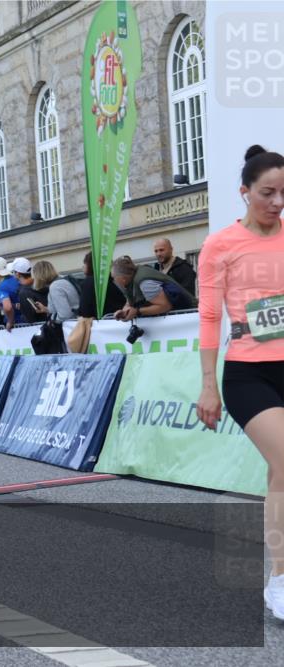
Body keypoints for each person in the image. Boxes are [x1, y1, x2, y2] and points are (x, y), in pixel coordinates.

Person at [195, 145, 284, 620]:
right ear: (244, 192)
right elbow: (209, 317)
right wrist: (208, 384)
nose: (276, 202)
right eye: (267, 193)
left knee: (280, 473)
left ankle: (280, 574)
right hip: (248, 371)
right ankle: (280, 581)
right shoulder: (221, 245)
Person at [111, 256, 197, 321]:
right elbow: (130, 302)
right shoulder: (132, 280)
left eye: (114, 277)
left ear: (122, 279)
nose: (113, 280)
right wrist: (124, 312)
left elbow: (165, 306)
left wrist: (137, 311)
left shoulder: (145, 283)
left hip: (190, 316)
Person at [76, 251, 127, 318]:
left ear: (90, 264)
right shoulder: (112, 280)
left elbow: (85, 312)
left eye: (85, 263)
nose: (83, 267)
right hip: (120, 319)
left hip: (103, 323)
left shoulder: (89, 283)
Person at [0, 256, 23, 330]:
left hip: (16, 326)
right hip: (27, 320)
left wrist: (10, 322)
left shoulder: (1, 287)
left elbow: (8, 307)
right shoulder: (17, 279)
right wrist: (2, 305)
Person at [12, 257, 48, 324]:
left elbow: (29, 318)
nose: (13, 274)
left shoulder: (23, 292)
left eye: (13, 272)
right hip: (51, 324)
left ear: (18, 274)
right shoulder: (42, 283)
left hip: (40, 329)